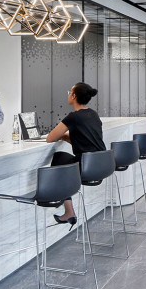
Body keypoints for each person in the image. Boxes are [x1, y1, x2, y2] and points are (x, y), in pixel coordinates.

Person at [45, 82, 106, 226]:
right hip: (102, 164)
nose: (68, 94)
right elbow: (90, 142)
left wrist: (64, 136)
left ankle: (63, 202)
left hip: (87, 166)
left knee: (59, 158)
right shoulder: (93, 114)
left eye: (70, 91)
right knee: (64, 161)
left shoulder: (74, 116)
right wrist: (69, 137)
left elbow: (50, 138)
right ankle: (66, 207)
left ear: (74, 96)